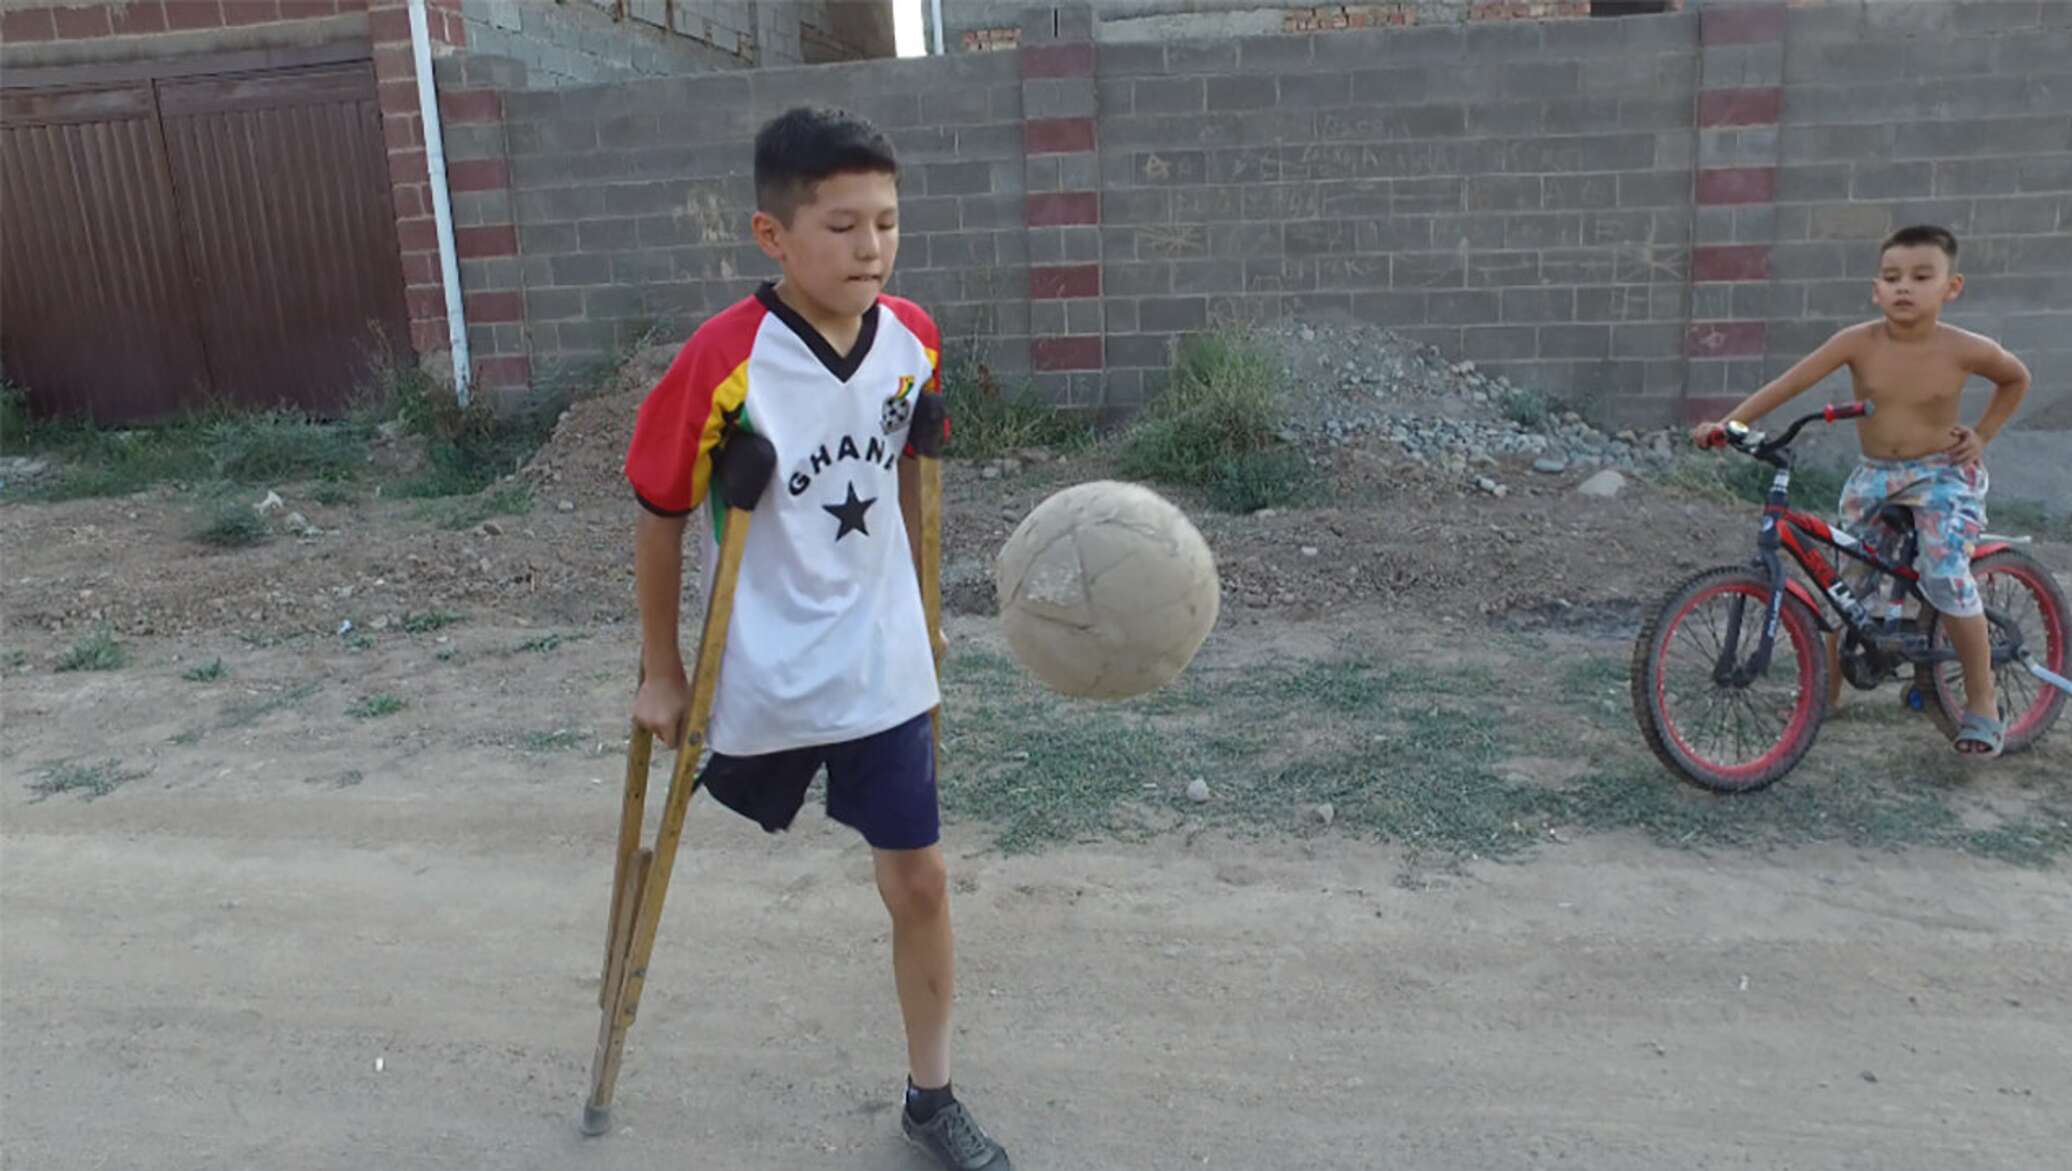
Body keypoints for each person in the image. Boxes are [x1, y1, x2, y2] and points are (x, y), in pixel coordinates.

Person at [620, 106, 1011, 1170]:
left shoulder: (913, 338)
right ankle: (612, 1044)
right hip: (759, 667)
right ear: (772, 236)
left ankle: (930, 1098)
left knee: (919, 877)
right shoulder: (722, 358)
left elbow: (902, 454)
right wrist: (660, 671)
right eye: (841, 226)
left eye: (886, 222)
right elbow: (659, 508)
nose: (871, 248)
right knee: (665, 860)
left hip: (879, 656)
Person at [1690, 224, 2031, 757]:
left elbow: (2016, 378)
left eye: (1922, 277)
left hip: (1941, 475)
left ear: (1951, 286)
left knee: (1944, 574)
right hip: (1874, 475)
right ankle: (1827, 694)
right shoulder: (1857, 341)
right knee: (1840, 584)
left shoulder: (1965, 348)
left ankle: (1983, 704)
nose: (1904, 288)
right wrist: (1728, 423)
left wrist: (1983, 434)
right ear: (1875, 289)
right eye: (1892, 277)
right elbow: (1791, 383)